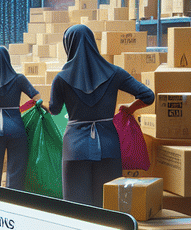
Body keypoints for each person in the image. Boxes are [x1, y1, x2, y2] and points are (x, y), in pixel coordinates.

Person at [49, 24, 154, 206]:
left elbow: (55, 109)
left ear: (69, 45)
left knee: (76, 208)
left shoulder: (61, 78)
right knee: (107, 205)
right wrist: (131, 107)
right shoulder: (115, 72)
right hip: (109, 145)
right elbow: (148, 95)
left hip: (75, 147)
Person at [0, 46, 39, 190]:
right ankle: (13, 204)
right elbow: (37, 97)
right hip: (15, 127)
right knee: (16, 172)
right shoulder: (19, 79)